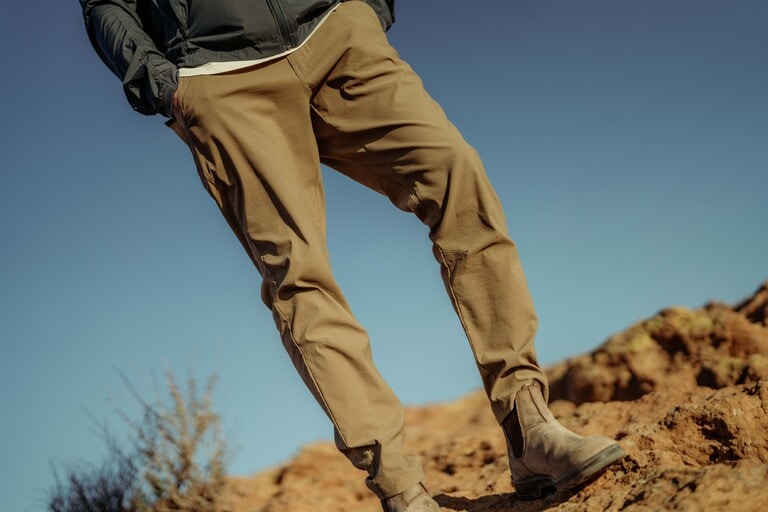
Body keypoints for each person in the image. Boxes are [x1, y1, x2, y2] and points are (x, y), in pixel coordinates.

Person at [78, 1, 626, 510]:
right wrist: (163, 81)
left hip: (336, 32)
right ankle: (401, 487)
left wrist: (365, 8)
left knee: (457, 175)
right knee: (299, 276)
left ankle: (528, 425)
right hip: (220, 77)